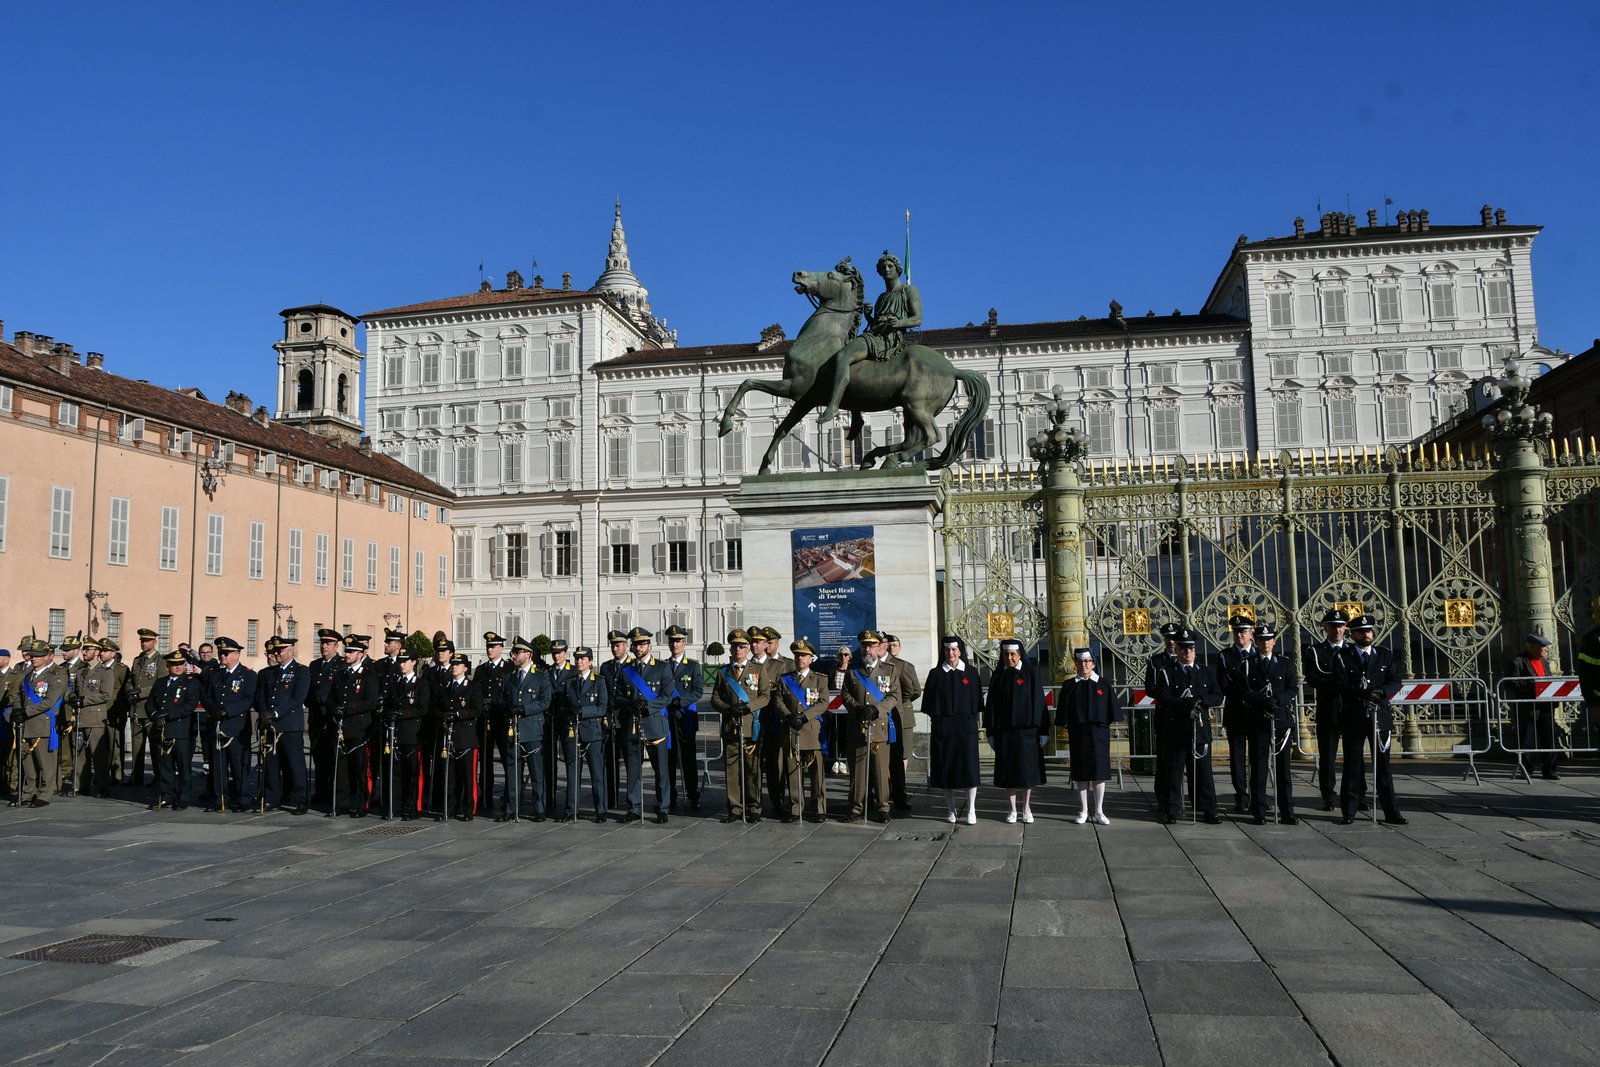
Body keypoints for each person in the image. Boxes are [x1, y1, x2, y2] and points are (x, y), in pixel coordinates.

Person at [819, 250, 923, 424]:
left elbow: (917, 319)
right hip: (875, 334)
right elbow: (876, 323)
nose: (887, 269)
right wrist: (869, 316)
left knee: (843, 357)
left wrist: (898, 323)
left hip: (888, 338)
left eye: (890, 266)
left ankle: (834, 405)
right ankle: (856, 416)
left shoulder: (909, 291)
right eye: (883, 267)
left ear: (898, 269)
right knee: (854, 368)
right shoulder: (882, 297)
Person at [1336, 615, 1406, 826]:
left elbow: (1395, 680)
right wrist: (1362, 694)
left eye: (1369, 631)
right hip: (1354, 716)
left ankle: (1391, 811)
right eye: (1361, 632)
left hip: (1379, 717)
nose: (1366, 635)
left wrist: (1381, 692)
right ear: (1353, 634)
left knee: (1383, 767)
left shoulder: (1384, 655)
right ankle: (1349, 810)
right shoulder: (1343, 656)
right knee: (1352, 766)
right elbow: (1340, 684)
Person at [1148, 629, 1223, 825]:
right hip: (1176, 729)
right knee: (1174, 772)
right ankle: (1171, 810)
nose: (1187, 652)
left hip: (1199, 730)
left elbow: (1217, 696)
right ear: (1178, 650)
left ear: (1194, 650)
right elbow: (1162, 696)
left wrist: (1201, 700)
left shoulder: (1206, 672)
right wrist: (1182, 703)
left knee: (1203, 773)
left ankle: (1208, 809)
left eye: (1190, 649)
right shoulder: (1167, 673)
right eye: (1183, 649)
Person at [983, 638, 1050, 823]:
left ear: (1020, 654)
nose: (1010, 658)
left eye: (1013, 654)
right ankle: (1012, 809)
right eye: (1006, 654)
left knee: (1027, 772)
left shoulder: (1030, 674)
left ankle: (1026, 808)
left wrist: (1043, 730)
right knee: (1009, 772)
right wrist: (991, 732)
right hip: (1005, 733)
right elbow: (991, 706)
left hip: (1028, 733)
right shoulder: (998, 676)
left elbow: (1040, 703)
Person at [1058, 647, 1123, 825]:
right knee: (1081, 772)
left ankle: (1099, 811)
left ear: (1093, 663)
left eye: (1087, 661)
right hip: (1078, 733)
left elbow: (1112, 708)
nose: (1084, 665)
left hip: (1099, 733)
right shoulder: (1069, 685)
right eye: (1080, 661)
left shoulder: (1104, 684)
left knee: (1099, 772)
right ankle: (1083, 810)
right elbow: (1063, 710)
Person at [842, 630, 900, 823]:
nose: (868, 650)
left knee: (881, 770)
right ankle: (856, 807)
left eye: (871, 646)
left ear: (878, 648)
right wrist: (857, 708)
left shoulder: (889, 670)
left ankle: (883, 807)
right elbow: (845, 694)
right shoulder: (853, 670)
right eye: (864, 646)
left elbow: (894, 696)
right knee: (857, 771)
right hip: (858, 727)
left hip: (879, 727)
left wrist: (877, 709)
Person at [923, 636, 981, 825]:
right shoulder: (935, 674)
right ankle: (950, 808)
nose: (951, 653)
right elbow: (929, 702)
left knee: (969, 768)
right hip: (943, 728)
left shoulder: (971, 673)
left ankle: (971, 809)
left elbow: (977, 701)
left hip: (966, 727)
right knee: (945, 768)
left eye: (954, 650)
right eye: (947, 650)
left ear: (960, 651)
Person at [772, 637, 831, 822]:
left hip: (811, 730)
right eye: (797, 655)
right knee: (793, 772)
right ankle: (796, 808)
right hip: (791, 730)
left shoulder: (820, 679)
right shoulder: (785, 679)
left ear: (811, 658)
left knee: (817, 773)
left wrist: (804, 716)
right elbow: (777, 700)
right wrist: (789, 716)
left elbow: (823, 703)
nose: (800, 659)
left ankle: (819, 809)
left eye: (804, 656)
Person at [711, 629, 767, 823]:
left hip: (751, 726)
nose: (738, 650)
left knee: (752, 770)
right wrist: (728, 709)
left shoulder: (758, 670)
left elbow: (765, 696)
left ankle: (754, 808)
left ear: (748, 649)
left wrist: (748, 707)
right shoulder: (723, 672)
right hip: (731, 726)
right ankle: (735, 808)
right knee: (732, 770)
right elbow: (715, 698)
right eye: (735, 646)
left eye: (742, 646)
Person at [7, 640, 67, 807]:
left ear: (48, 656)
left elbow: (49, 702)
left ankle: (45, 794)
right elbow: (19, 696)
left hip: (43, 723)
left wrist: (25, 712)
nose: (33, 658)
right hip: (25, 724)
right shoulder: (27, 675)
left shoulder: (56, 675)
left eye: (38, 655)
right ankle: (29, 792)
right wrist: (17, 710)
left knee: (45, 763)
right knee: (27, 762)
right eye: (32, 655)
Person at [257, 636, 311, 815]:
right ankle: (272, 798)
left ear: (291, 651)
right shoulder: (271, 672)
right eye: (275, 651)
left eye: (280, 650)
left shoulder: (301, 671)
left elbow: (297, 698)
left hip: (289, 725)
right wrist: (264, 713)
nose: (277, 653)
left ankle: (301, 799)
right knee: (271, 764)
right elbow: (263, 696)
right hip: (270, 725)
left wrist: (276, 713)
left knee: (295, 764)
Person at [1302, 609, 1349, 812]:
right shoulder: (1315, 651)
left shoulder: (1352, 650)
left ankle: (1356, 793)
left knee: (1353, 755)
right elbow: (1313, 678)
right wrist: (1338, 684)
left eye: (1340, 626)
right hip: (1328, 707)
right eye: (1333, 626)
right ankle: (1328, 795)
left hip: (1350, 708)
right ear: (1325, 628)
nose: (1337, 630)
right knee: (1328, 755)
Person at [202, 636, 256, 812]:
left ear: (237, 655)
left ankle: (243, 799)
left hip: (237, 727)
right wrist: (212, 708)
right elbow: (206, 696)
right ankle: (220, 799)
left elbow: (248, 699)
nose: (222, 656)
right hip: (217, 726)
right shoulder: (216, 675)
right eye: (220, 652)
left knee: (239, 766)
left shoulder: (248, 675)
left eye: (226, 653)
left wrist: (228, 711)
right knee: (218, 766)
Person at [502, 635, 551, 821]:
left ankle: (539, 808)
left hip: (532, 729)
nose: (513, 655)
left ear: (528, 654)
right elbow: (502, 698)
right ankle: (511, 807)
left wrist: (525, 709)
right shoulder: (509, 676)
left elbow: (545, 701)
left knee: (536, 771)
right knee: (512, 770)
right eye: (513, 652)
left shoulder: (540, 675)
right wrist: (507, 707)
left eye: (517, 652)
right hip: (513, 728)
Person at [145, 649, 200, 810]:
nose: (178, 667)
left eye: (181, 664)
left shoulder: (191, 682)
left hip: (181, 731)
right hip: (163, 730)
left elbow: (189, 706)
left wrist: (168, 715)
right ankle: (166, 795)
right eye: (174, 664)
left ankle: (183, 797)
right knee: (165, 766)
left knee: (183, 767)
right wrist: (154, 715)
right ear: (167, 665)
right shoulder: (160, 682)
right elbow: (150, 702)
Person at [1215, 616, 1260, 813]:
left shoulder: (1259, 654)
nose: (1240, 635)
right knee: (1237, 757)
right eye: (1236, 631)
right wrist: (1245, 694)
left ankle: (1258, 794)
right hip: (1236, 711)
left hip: (1257, 712)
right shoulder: (1225, 656)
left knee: (1258, 757)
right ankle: (1241, 794)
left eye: (1243, 631)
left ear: (1251, 634)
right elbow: (1223, 684)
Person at [1256, 626, 1299, 825]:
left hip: (1281, 720)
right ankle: (1259, 810)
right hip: (1259, 720)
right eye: (1261, 639)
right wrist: (1262, 702)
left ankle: (1287, 811)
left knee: (1284, 770)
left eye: (1269, 639)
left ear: (1274, 642)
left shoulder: (1284, 663)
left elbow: (1293, 688)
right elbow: (1243, 689)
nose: (1265, 643)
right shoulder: (1249, 664)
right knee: (1259, 769)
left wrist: (1279, 700)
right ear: (1256, 642)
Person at [562, 646, 610, 823]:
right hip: (574, 732)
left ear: (590, 661)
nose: (579, 661)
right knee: (572, 773)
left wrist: (583, 711)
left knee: (597, 774)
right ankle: (571, 810)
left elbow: (602, 708)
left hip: (592, 732)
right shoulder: (570, 682)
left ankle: (601, 810)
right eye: (577, 658)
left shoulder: (599, 681)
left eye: (583, 658)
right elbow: (565, 704)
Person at [1505, 633, 1561, 781]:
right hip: (1528, 707)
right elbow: (1509, 683)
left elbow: (1547, 680)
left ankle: (1550, 769)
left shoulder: (1544, 662)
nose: (1547, 649)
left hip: (1545, 706)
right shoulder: (1518, 661)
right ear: (1532, 647)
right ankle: (1526, 769)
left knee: (1548, 738)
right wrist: (1532, 685)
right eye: (1543, 647)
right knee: (1526, 739)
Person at [661, 625, 705, 813]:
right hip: (667, 718)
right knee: (669, 760)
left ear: (684, 643)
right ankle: (670, 796)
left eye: (678, 641)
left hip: (686, 717)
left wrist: (681, 701)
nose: (675, 644)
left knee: (688, 760)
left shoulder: (693, 666)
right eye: (672, 641)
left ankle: (693, 795)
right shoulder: (663, 666)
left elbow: (698, 691)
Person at [382, 649, 428, 820]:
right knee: (396, 772)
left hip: (412, 733)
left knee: (412, 773)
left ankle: (412, 807)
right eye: (400, 661)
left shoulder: (421, 684)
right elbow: (388, 705)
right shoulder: (394, 683)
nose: (401, 665)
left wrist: (403, 714)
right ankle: (395, 806)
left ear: (413, 662)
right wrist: (390, 714)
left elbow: (422, 708)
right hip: (396, 733)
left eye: (405, 661)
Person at [436, 652, 482, 820]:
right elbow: (438, 707)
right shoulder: (446, 686)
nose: (454, 667)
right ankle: (449, 809)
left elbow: (476, 710)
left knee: (468, 777)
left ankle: (469, 810)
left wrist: (458, 714)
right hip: (449, 737)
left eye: (458, 664)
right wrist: (443, 715)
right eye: (453, 664)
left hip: (466, 737)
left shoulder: (473, 686)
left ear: (465, 668)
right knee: (450, 777)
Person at [474, 632, 515, 817]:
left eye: (493, 646)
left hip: (502, 719)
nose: (490, 649)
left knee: (507, 759)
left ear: (501, 648)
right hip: (485, 720)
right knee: (485, 761)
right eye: (488, 646)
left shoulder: (509, 668)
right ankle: (486, 797)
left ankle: (509, 796)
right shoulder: (481, 669)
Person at [1143, 623, 1182, 801]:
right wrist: (1170, 699)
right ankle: (1163, 795)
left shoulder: (1187, 658)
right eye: (1168, 638)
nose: (1171, 642)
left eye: (1174, 638)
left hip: (1184, 714)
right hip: (1166, 712)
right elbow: (1151, 689)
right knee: (1164, 756)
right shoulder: (1156, 661)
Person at [883, 633, 922, 813]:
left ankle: (899, 792)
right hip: (881, 717)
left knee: (900, 757)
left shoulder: (902, 666)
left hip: (900, 715)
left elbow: (913, 690)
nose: (890, 647)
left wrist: (897, 702)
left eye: (893, 645)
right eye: (888, 644)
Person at [75, 639, 118, 798]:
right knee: (81, 755)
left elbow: (106, 695)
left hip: (95, 718)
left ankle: (102, 786)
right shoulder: (81, 671)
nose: (84, 652)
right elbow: (75, 690)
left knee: (98, 755)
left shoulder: (105, 672)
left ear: (97, 652)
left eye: (88, 649)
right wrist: (72, 698)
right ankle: (81, 785)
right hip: (80, 717)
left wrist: (84, 700)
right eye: (84, 649)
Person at [126, 627, 163, 788]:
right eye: (142, 641)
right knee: (137, 746)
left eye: (147, 641)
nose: (143, 643)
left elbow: (160, 684)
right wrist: (129, 691)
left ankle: (159, 775)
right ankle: (136, 775)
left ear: (154, 642)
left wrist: (141, 692)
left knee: (155, 745)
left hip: (150, 709)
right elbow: (130, 681)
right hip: (136, 709)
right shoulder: (137, 660)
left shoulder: (161, 661)